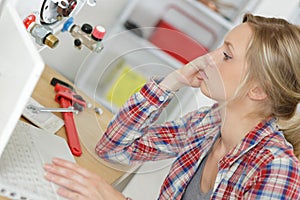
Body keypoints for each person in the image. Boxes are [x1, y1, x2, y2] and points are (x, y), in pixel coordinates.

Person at [44, 13, 300, 200]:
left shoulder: (276, 169)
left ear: (258, 90)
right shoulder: (206, 125)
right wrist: (171, 82)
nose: (207, 58)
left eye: (227, 56)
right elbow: (113, 149)